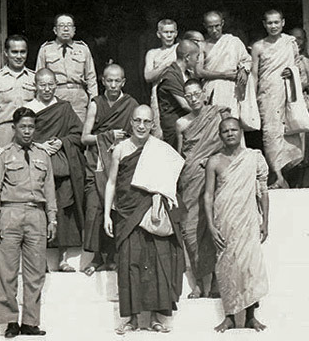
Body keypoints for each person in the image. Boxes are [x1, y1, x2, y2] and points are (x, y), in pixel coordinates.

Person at [103, 105, 185, 334]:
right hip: (127, 213)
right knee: (129, 263)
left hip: (152, 212)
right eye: (137, 121)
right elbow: (111, 182)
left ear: (152, 124)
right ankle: (131, 319)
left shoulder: (160, 149)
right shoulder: (119, 149)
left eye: (146, 122)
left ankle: (157, 318)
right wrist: (107, 214)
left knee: (158, 263)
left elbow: (171, 182)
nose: (141, 126)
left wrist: (159, 201)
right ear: (130, 122)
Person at [0, 107, 57, 338]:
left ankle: (30, 322)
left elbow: (49, 189)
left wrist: (52, 218)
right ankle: (10, 322)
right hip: (10, 214)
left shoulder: (42, 154)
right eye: (23, 127)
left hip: (37, 215)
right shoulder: (3, 155)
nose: (27, 131)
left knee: (36, 272)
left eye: (31, 127)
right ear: (14, 128)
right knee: (7, 272)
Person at [203, 117, 269, 332]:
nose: (230, 133)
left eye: (233, 129)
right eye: (225, 131)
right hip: (225, 221)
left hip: (248, 220)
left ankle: (251, 316)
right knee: (227, 265)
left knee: (249, 266)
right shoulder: (214, 161)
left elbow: (263, 192)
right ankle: (229, 316)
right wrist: (212, 226)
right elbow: (208, 196)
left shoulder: (253, 157)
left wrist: (265, 220)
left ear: (241, 132)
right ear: (220, 135)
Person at [25, 69, 86, 272]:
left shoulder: (64, 108)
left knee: (63, 211)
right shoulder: (29, 109)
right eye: (42, 84)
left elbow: (78, 134)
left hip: (61, 168)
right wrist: (40, 145)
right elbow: (21, 136)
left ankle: (63, 259)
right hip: (37, 167)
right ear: (35, 85)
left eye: (51, 84)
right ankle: (39, 259)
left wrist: (61, 141)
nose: (47, 89)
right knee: (39, 212)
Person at [81, 64, 138, 276]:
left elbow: (139, 134)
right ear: (102, 81)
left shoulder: (131, 104)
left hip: (120, 162)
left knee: (117, 206)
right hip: (97, 163)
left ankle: (113, 256)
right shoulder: (96, 103)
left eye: (117, 81)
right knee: (94, 207)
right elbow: (84, 137)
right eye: (109, 81)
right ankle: (97, 257)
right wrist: (107, 136)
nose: (113, 85)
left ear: (123, 82)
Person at [175, 79, 229, 299]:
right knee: (190, 230)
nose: (194, 98)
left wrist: (212, 160)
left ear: (204, 94)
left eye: (197, 94)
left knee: (212, 225)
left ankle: (215, 280)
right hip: (190, 178)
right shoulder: (181, 123)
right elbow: (181, 155)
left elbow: (229, 145)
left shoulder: (218, 115)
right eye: (188, 96)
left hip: (214, 176)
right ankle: (199, 281)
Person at [251, 10, 304, 189]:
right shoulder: (258, 47)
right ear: (264, 25)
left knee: (288, 134)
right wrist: (253, 99)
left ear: (282, 23)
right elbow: (255, 75)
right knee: (270, 134)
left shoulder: (290, 43)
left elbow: (297, 66)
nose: (273, 26)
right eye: (269, 23)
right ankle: (278, 176)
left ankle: (287, 175)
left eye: (276, 22)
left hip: (287, 93)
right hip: (267, 96)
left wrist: (292, 72)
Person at [36, 13, 98, 122]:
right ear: (55, 30)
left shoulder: (83, 49)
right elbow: (38, 78)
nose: (65, 29)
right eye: (61, 26)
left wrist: (93, 104)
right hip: (55, 96)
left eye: (69, 25)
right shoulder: (45, 50)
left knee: (79, 133)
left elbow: (91, 79)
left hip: (78, 98)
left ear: (74, 30)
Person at [0, 35, 36, 150]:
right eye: (14, 52)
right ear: (6, 53)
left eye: (23, 52)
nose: (19, 56)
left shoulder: (34, 78)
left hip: (28, 131)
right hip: (4, 131)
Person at [199, 11, 252, 119]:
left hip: (231, 90)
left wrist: (243, 70)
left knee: (232, 122)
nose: (214, 30)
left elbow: (247, 60)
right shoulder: (202, 46)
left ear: (222, 23)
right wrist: (223, 75)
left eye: (217, 26)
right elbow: (199, 72)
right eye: (210, 27)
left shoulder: (234, 41)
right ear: (205, 26)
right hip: (211, 90)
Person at [290, 27, 309, 187]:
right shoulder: (285, 60)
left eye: (300, 38)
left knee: (308, 144)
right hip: (290, 105)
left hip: (307, 104)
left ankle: (305, 182)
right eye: (294, 39)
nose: (297, 42)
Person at [144, 19, 179, 138]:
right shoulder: (153, 53)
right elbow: (148, 76)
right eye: (165, 32)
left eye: (171, 32)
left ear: (176, 33)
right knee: (159, 132)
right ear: (159, 34)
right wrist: (166, 65)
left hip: (177, 93)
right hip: (159, 94)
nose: (169, 35)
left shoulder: (179, 48)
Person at [157, 40, 194, 148]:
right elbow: (184, 104)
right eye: (196, 57)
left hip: (186, 122)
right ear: (187, 57)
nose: (197, 61)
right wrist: (207, 114)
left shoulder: (186, 74)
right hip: (173, 124)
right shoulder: (171, 75)